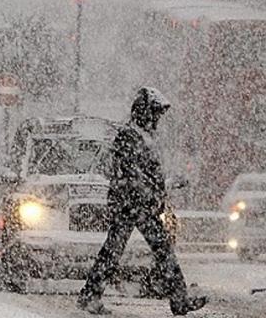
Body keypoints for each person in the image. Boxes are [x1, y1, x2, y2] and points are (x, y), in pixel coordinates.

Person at [77, 87, 206, 315]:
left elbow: (144, 176)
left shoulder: (141, 136)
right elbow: (132, 174)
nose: (157, 119)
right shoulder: (130, 136)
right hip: (134, 205)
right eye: (155, 114)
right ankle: (178, 298)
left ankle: (91, 295)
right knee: (158, 250)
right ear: (145, 113)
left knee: (117, 250)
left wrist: (164, 186)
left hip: (137, 204)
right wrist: (149, 194)